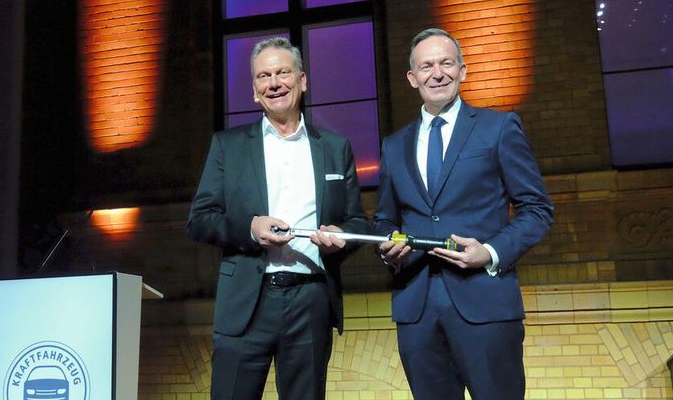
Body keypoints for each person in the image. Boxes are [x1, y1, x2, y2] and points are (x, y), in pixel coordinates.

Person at [373, 28, 553, 400]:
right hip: (416, 309)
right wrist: (386, 246)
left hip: (485, 302)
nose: (437, 73)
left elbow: (536, 210)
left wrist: (490, 252)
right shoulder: (393, 146)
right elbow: (386, 219)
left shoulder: (499, 128)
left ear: (463, 70)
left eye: (446, 63)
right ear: (412, 78)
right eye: (426, 66)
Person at [187, 36, 370, 400]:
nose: (274, 83)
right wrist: (250, 229)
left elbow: (357, 222)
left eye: (283, 72)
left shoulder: (335, 147)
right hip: (246, 303)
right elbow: (200, 219)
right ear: (255, 91)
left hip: (311, 299)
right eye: (263, 76)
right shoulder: (228, 145)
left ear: (302, 81)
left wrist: (340, 239)